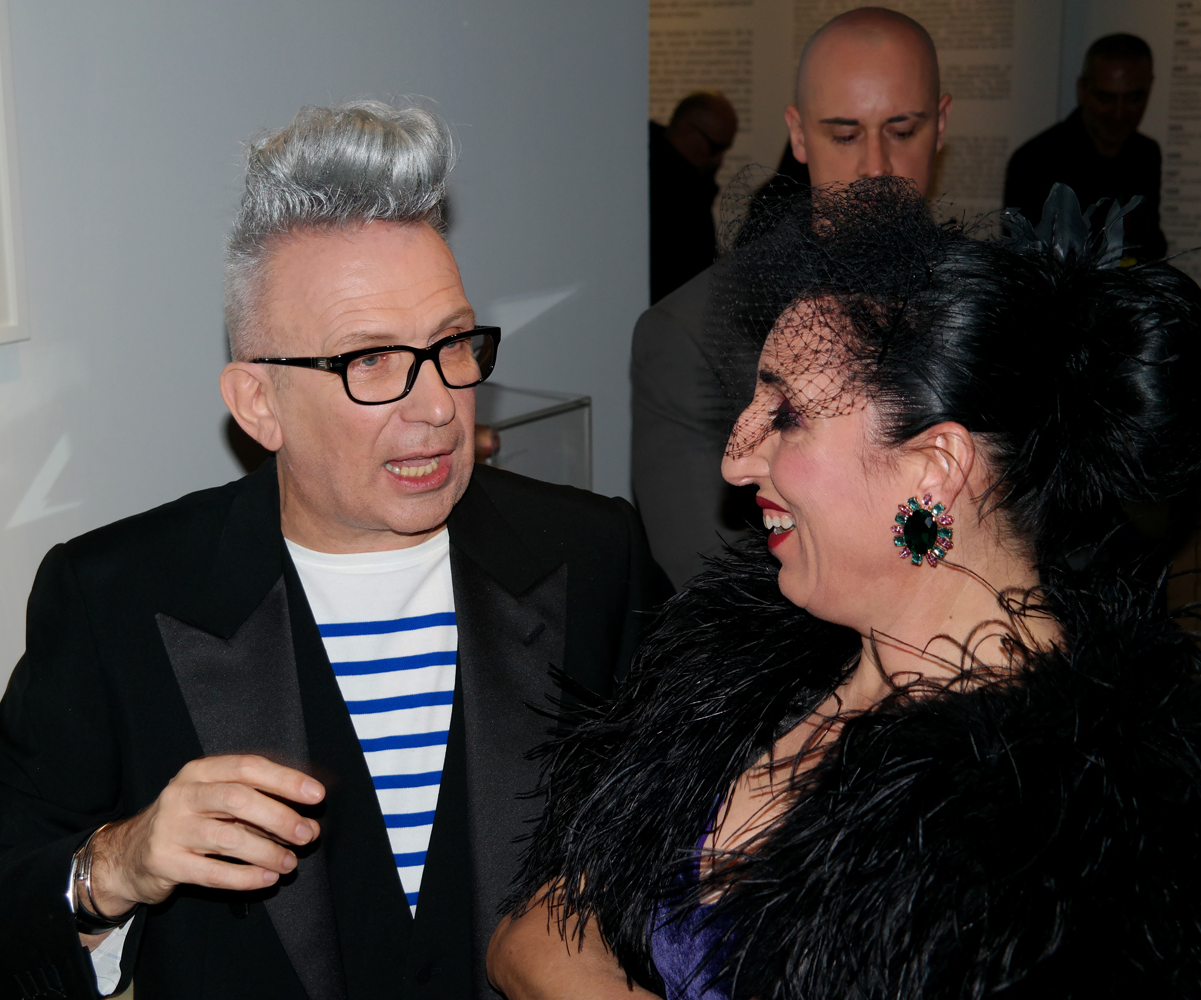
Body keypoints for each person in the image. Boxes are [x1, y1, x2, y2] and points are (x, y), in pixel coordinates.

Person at [0, 100, 670, 1000]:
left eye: (452, 344)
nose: (437, 405)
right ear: (258, 404)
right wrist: (118, 863)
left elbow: (704, 840)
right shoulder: (114, 598)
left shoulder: (592, 555)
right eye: (371, 361)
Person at [488, 178, 1201, 998]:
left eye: (786, 415)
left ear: (935, 469)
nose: (735, 458)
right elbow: (530, 930)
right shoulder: (747, 670)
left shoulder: (1058, 830)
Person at [631, 6, 951, 589]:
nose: (875, 167)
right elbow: (711, 584)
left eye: (902, 131)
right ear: (799, 135)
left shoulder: (985, 302)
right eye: (844, 134)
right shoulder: (694, 333)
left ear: (942, 124)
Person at [1005, 34, 1164, 264]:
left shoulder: (1146, 153)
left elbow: (1150, 245)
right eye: (1106, 98)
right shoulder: (1034, 161)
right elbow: (1020, 263)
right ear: (1082, 90)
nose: (1119, 114)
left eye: (1133, 98)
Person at [650, 91, 738, 304]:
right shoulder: (663, 184)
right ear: (686, 130)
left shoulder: (691, 182)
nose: (719, 160)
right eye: (714, 147)